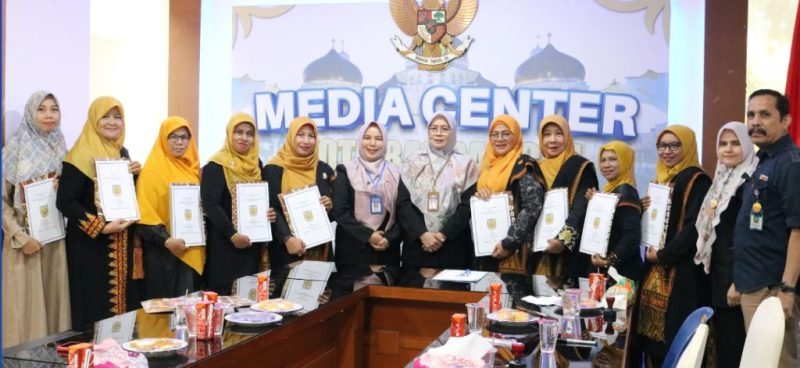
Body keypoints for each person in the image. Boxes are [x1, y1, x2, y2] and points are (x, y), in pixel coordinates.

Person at [56, 96, 143, 330]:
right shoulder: (79, 155)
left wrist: (135, 174)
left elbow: (123, 196)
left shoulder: (122, 152)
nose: (112, 122)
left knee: (123, 314)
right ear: (94, 119)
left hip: (121, 242)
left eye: (118, 117)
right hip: (90, 247)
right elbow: (65, 201)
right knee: (93, 307)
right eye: (105, 116)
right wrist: (100, 226)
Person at [631, 125, 711, 366]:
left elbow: (693, 228)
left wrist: (664, 255)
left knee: (674, 344)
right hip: (655, 270)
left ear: (686, 147)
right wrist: (645, 210)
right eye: (662, 146)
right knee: (652, 346)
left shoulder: (697, 180)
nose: (667, 151)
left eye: (674, 145)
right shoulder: (662, 180)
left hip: (681, 275)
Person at [733, 89, 800, 368]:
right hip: (754, 283)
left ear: (786, 120)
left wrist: (787, 289)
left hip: (773, 288)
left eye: (764, 114)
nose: (755, 121)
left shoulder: (790, 164)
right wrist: (740, 280)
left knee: (777, 363)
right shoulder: (765, 158)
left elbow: (798, 231)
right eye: (750, 114)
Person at [2, 91, 71, 347]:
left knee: (55, 314)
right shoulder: (14, 148)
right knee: (25, 318)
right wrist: (21, 237)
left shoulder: (60, 144)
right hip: (24, 246)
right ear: (32, 113)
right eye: (42, 109)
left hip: (54, 243)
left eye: (54, 109)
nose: (49, 115)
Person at [331, 121, 419, 298]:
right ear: (360, 140)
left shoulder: (396, 173)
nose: (372, 143)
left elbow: (403, 215)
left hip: (387, 254)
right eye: (367, 138)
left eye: (378, 139)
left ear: (385, 143)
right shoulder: (345, 171)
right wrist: (368, 236)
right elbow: (340, 212)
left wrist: (390, 239)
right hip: (352, 253)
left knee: (384, 310)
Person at [695, 122, 756, 367]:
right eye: (723, 143)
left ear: (748, 145)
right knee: (722, 349)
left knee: (735, 351)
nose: (728, 149)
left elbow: (750, 239)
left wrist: (738, 282)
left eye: (735, 143)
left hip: (736, 281)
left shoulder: (750, 184)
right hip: (717, 277)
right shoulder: (720, 181)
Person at [399, 112, 478, 287]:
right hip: (417, 246)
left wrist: (442, 235)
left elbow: (467, 206)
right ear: (428, 132)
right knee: (413, 307)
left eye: (444, 128)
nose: (439, 133)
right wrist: (422, 234)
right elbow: (403, 204)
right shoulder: (412, 162)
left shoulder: (466, 164)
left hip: (453, 246)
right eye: (434, 128)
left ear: (453, 132)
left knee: (452, 306)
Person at [473, 114, 544, 300]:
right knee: (489, 306)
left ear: (516, 136)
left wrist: (508, 243)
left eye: (506, 133)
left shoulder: (524, 165)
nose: (499, 139)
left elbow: (532, 207)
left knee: (517, 312)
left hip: (515, 253)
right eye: (494, 134)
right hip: (487, 252)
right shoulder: (487, 167)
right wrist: (480, 195)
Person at [202, 113, 274, 295]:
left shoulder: (257, 165)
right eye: (238, 132)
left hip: (252, 245)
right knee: (225, 299)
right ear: (229, 134)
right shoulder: (216, 164)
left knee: (250, 300)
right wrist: (232, 234)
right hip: (225, 245)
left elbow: (261, 201)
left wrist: (269, 214)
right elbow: (210, 204)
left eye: (249, 133)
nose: (244, 138)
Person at [263, 116, 335, 292]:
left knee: (320, 307)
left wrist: (330, 206)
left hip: (320, 251)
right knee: (283, 306)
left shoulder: (324, 169)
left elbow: (332, 214)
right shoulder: (273, 168)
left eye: (311, 136)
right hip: (284, 250)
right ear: (291, 137)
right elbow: (272, 209)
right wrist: (287, 238)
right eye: (300, 135)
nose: (306, 141)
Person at [136, 117, 205, 299]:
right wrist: (167, 241)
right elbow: (144, 216)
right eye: (173, 137)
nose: (179, 142)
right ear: (163, 139)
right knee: (165, 313)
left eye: (184, 137)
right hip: (161, 252)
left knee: (190, 309)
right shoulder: (151, 171)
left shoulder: (193, 171)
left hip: (191, 248)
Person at [532, 114, 599, 284]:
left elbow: (581, 208)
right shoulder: (535, 169)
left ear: (568, 137)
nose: (552, 140)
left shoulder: (581, 166)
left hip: (570, 255)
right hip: (538, 253)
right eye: (547, 134)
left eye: (558, 134)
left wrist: (563, 240)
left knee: (568, 306)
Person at [586, 141, 643, 283]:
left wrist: (608, 261)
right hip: (613, 272)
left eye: (613, 159)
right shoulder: (612, 190)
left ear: (625, 161)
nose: (606, 165)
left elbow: (631, 237)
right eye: (603, 160)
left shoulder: (625, 191)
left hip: (622, 273)